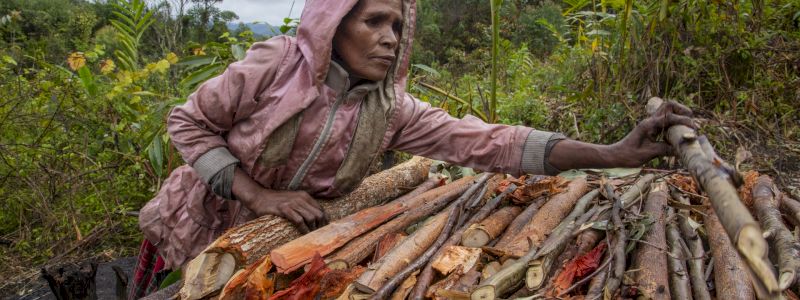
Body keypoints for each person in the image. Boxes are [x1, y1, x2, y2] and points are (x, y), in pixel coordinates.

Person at [130, 0, 693, 297]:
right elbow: (187, 125)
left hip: (275, 248)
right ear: (333, 25)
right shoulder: (274, 67)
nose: (391, 37)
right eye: (374, 21)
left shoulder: (390, 109)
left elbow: (491, 143)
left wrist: (613, 152)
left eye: (398, 24)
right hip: (199, 222)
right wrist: (258, 194)